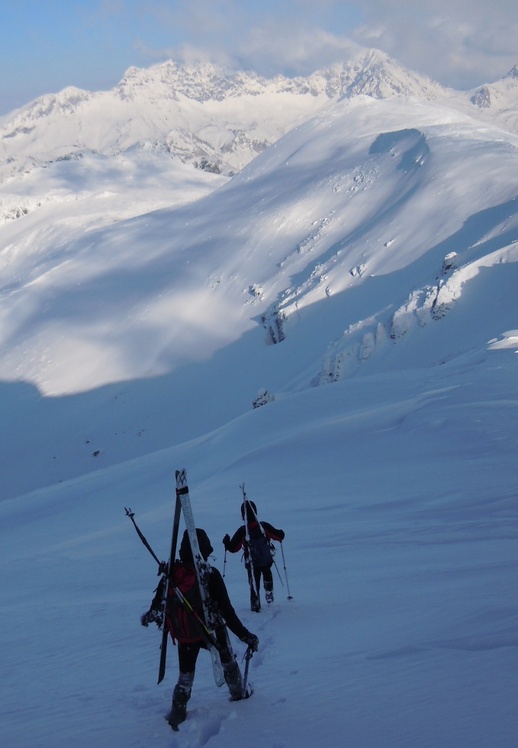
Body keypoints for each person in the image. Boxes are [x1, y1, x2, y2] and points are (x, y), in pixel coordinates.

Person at [164, 528, 258, 731]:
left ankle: (177, 712)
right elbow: (228, 612)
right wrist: (246, 636)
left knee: (185, 677)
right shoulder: (210, 575)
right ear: (204, 550)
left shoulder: (173, 576)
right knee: (228, 662)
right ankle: (238, 693)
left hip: (186, 636)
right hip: (212, 632)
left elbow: (159, 609)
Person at [223, 500, 285, 612]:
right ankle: (269, 592)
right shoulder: (264, 526)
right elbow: (279, 536)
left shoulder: (243, 531)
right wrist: (281, 533)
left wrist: (226, 542)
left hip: (252, 564)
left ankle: (255, 604)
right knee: (267, 573)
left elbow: (233, 548)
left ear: (243, 515)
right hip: (266, 561)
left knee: (254, 583)